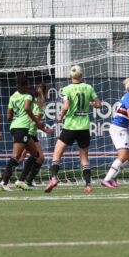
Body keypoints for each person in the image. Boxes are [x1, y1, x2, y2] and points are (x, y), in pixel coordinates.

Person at [44, 65, 102, 193]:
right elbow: (99, 104)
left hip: (70, 126)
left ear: (71, 76)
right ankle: (87, 185)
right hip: (84, 127)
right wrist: (90, 103)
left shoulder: (66, 89)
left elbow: (65, 106)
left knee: (57, 153)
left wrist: (60, 116)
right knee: (84, 157)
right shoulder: (88, 87)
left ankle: (53, 178)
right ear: (82, 75)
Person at [0, 75, 49, 191]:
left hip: (15, 126)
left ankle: (21, 180)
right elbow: (27, 108)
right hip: (22, 127)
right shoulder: (28, 96)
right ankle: (3, 181)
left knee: (36, 155)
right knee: (16, 156)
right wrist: (37, 122)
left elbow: (9, 116)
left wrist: (17, 116)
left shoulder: (13, 96)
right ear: (26, 85)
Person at [20, 83, 50, 187]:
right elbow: (35, 122)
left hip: (30, 133)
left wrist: (44, 129)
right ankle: (19, 180)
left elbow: (35, 122)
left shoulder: (35, 104)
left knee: (38, 157)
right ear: (45, 93)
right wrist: (44, 127)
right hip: (29, 133)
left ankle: (27, 180)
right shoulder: (39, 106)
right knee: (35, 157)